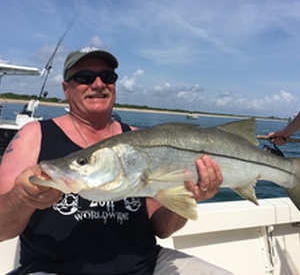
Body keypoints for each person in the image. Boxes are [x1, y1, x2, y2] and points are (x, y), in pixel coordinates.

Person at [0, 46, 232, 274]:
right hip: (54, 268)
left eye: (107, 76)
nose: (98, 84)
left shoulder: (137, 138)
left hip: (146, 266)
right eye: (85, 77)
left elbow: (162, 228)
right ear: (66, 88)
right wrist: (22, 198)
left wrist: (191, 195)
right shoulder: (34, 135)